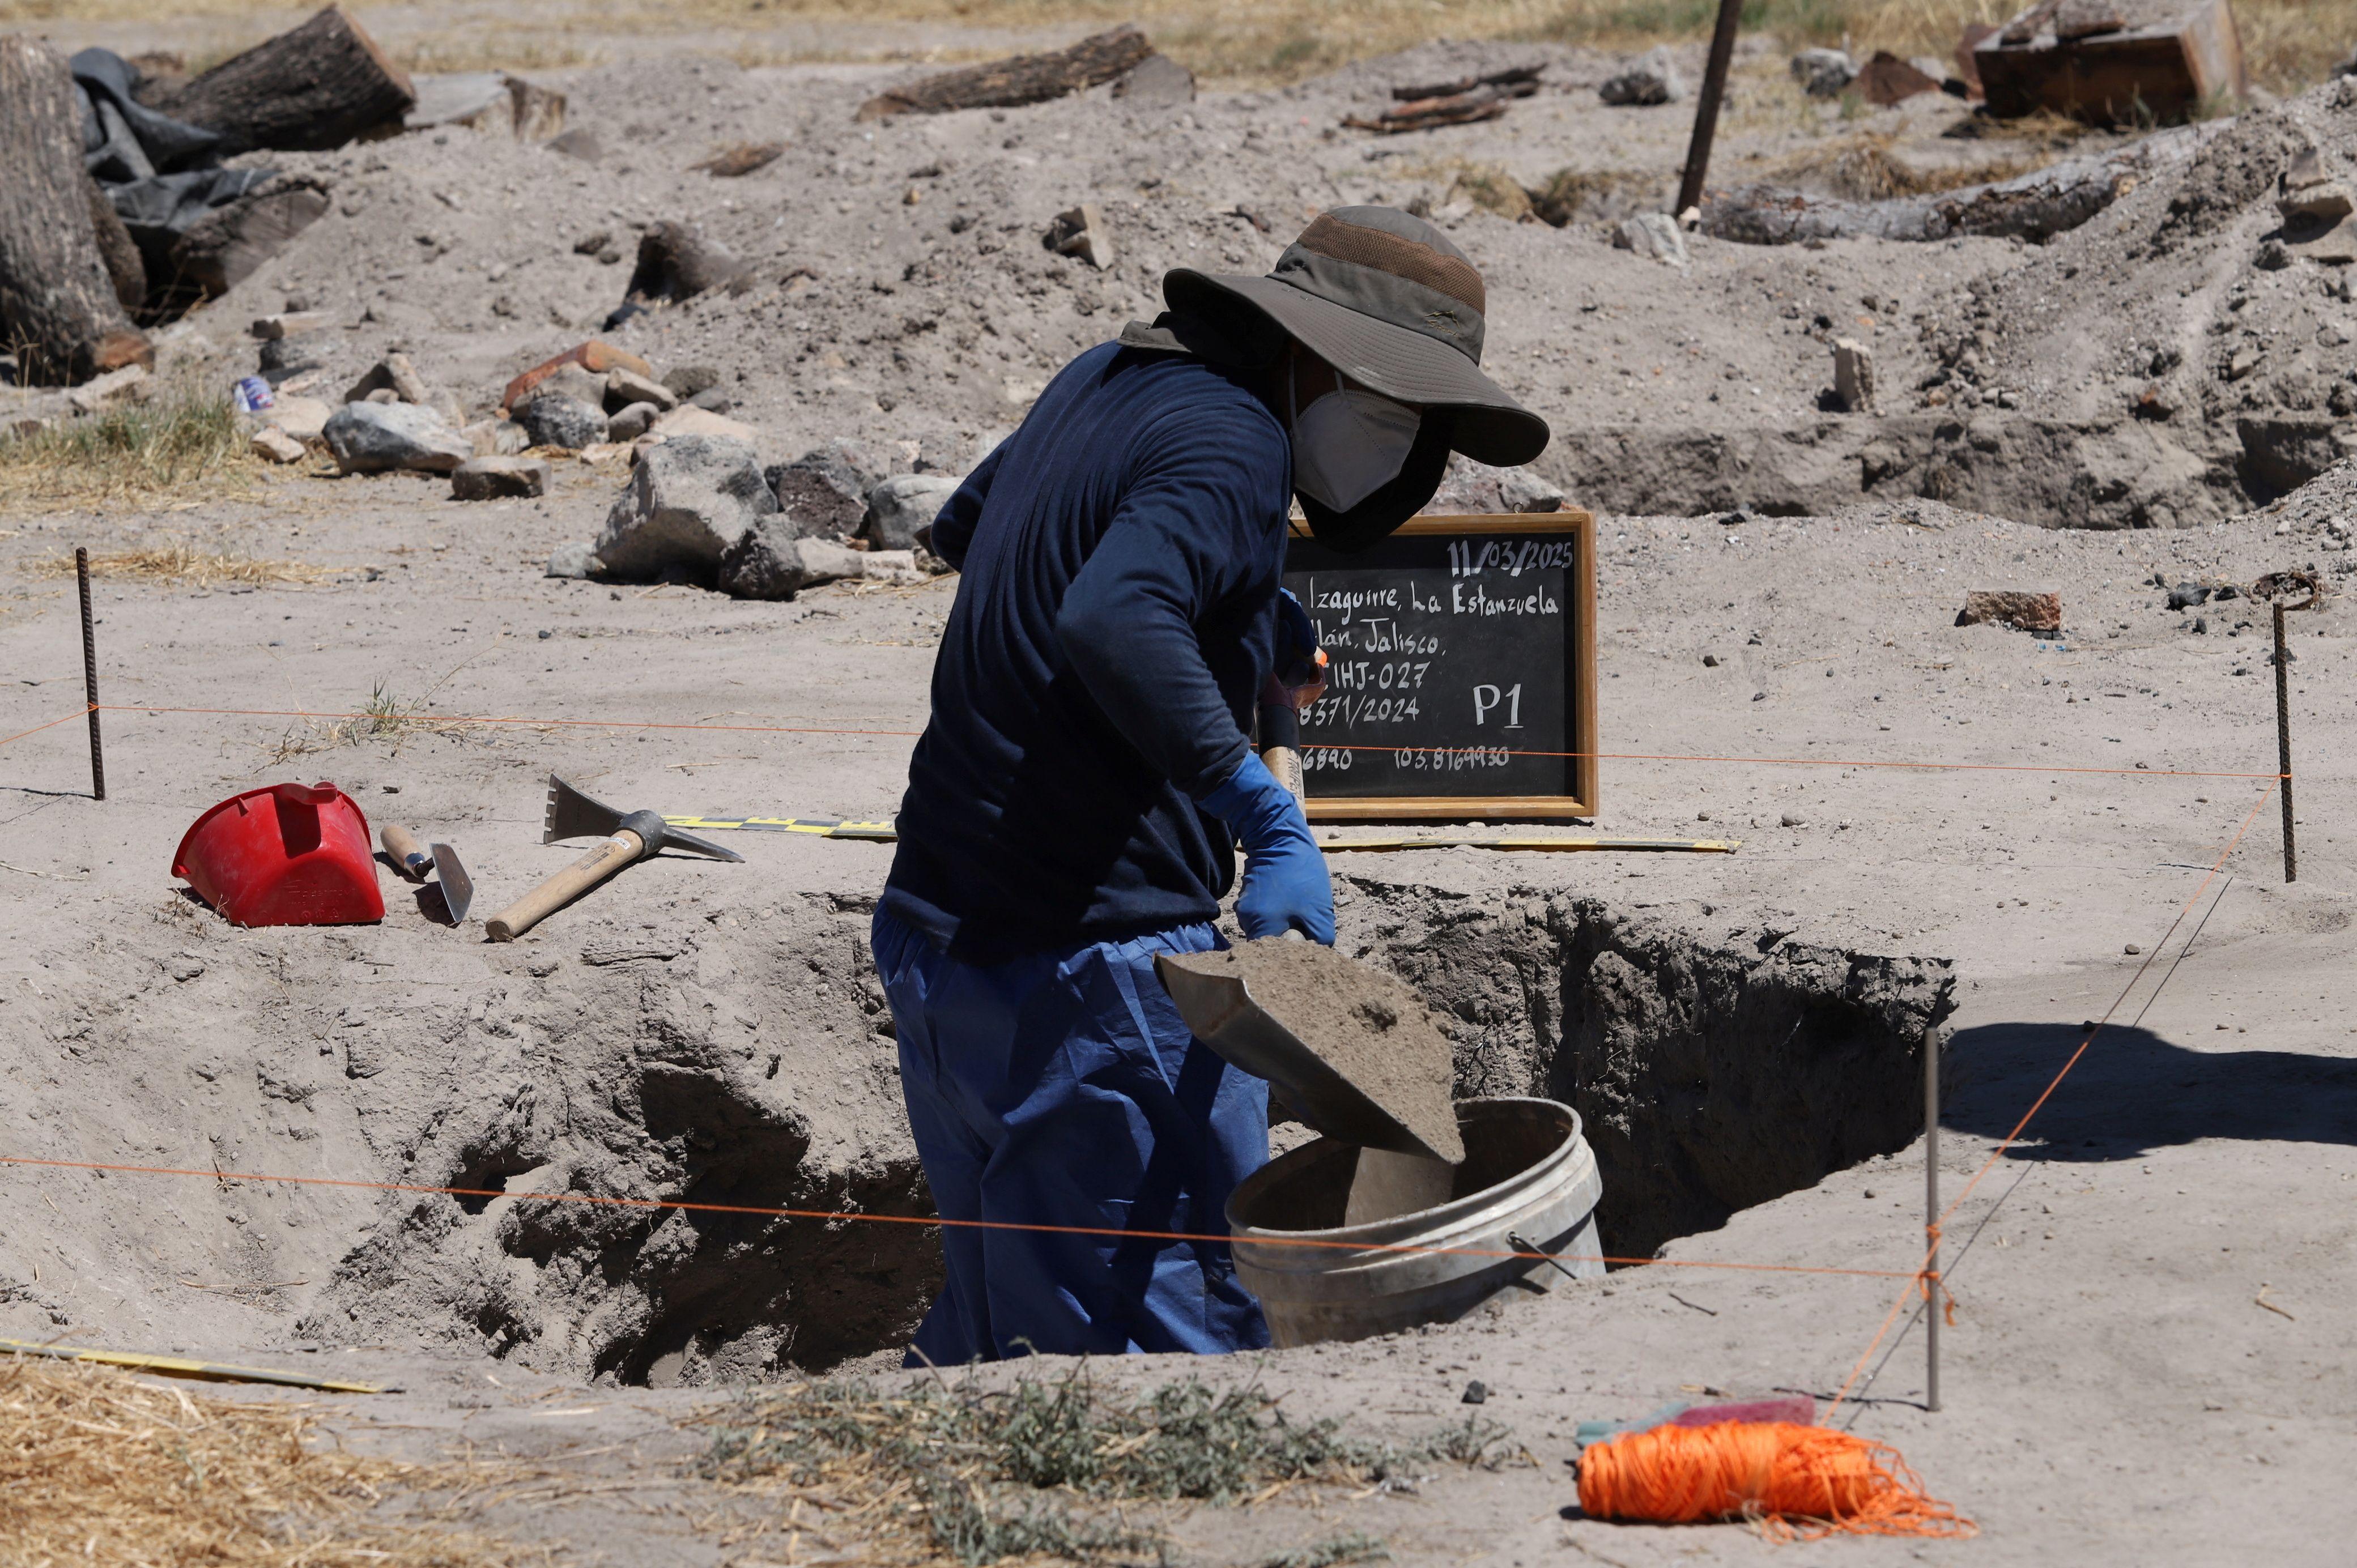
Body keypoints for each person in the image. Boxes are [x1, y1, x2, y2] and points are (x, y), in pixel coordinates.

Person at [873, 206, 1550, 1363]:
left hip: (944, 949)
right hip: (1099, 976)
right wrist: (1259, 808)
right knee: (1164, 1368)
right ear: (1309, 354)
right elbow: (1110, 611)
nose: (1400, 444)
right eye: (1392, 409)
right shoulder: (1236, 437)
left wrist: (1231, 617)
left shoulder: (1102, 374)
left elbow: (975, 524)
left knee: (1014, 1348)